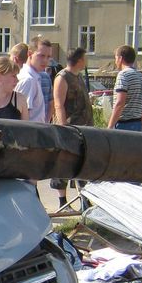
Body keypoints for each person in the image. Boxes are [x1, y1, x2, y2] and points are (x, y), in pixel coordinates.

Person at [50, 47, 92, 208]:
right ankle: (63, 201)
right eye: (85, 58)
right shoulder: (63, 77)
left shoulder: (79, 76)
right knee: (63, 165)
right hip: (69, 129)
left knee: (83, 164)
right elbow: (59, 104)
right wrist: (64, 129)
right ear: (79, 60)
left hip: (84, 130)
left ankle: (84, 200)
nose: (86, 61)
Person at [108, 44, 142, 130]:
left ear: (120, 58)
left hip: (124, 124)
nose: (115, 62)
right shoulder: (141, 77)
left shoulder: (123, 75)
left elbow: (120, 102)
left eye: (116, 58)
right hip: (137, 123)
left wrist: (110, 126)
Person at [16, 37, 52, 122]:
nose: (45, 60)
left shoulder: (35, 78)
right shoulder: (28, 80)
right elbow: (21, 115)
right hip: (29, 133)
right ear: (29, 54)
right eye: (41, 56)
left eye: (48, 57)